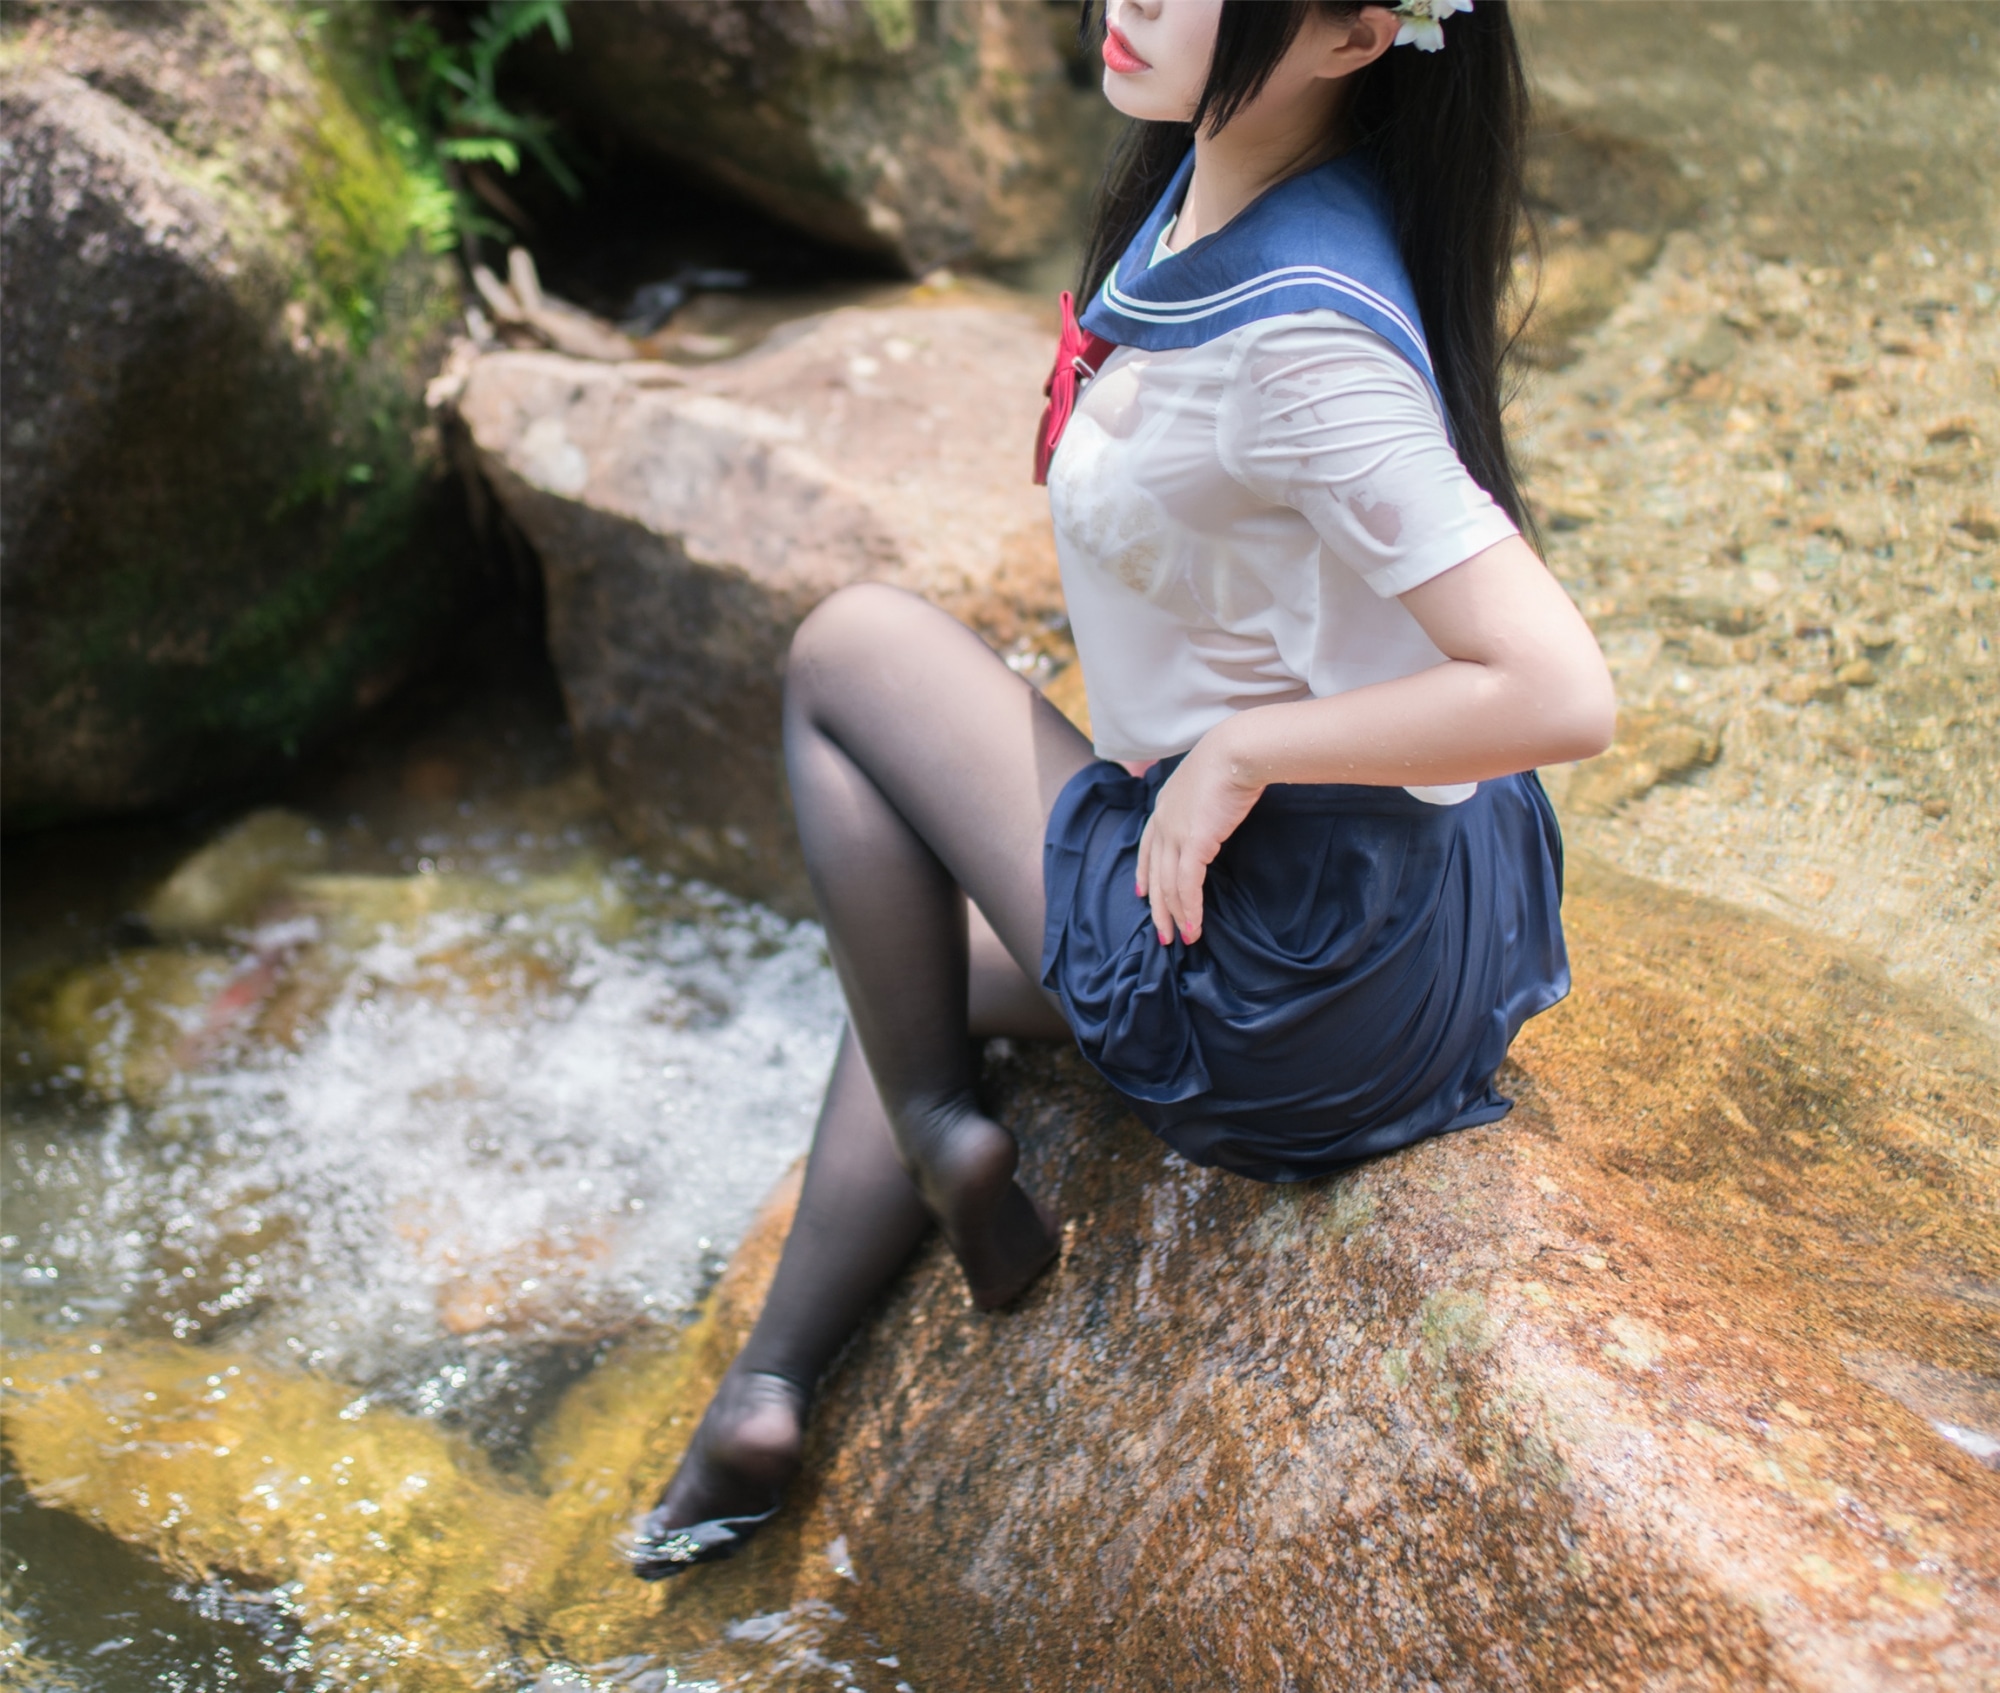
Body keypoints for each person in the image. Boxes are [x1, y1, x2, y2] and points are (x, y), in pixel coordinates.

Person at [625, 0, 1615, 1577]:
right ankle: (767, 1389)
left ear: (1358, 34)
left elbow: (1564, 691)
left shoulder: (1304, 340)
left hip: (1291, 969)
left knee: (848, 650)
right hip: (1396, 903)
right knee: (912, 958)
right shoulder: (1247, 170)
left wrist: (1242, 749)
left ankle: (943, 1129)